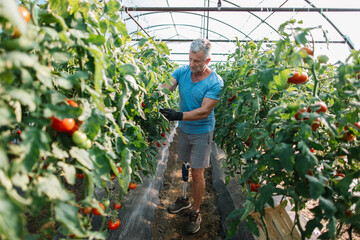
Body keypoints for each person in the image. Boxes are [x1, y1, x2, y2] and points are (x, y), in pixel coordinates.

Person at [159, 38, 223, 234]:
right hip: (185, 130)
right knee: (184, 164)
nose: (192, 64)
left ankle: (196, 211)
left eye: (197, 61)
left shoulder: (215, 82)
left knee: (198, 172)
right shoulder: (182, 72)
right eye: (190, 59)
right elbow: (165, 87)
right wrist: (156, 93)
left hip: (202, 132)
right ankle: (184, 199)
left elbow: (204, 111)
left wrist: (178, 115)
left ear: (207, 61)